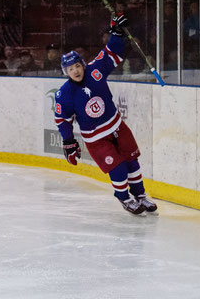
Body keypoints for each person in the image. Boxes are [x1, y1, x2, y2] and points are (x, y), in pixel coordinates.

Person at [53, 14, 158, 215]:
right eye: (70, 69)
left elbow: (111, 53)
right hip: (97, 139)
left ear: (82, 64)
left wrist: (116, 33)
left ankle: (140, 195)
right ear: (65, 72)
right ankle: (124, 197)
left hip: (117, 126)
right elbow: (62, 120)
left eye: (77, 66)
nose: (75, 70)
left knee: (132, 162)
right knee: (117, 168)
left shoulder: (94, 71)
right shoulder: (63, 94)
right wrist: (68, 141)